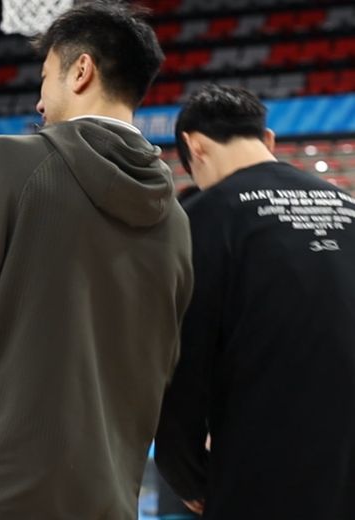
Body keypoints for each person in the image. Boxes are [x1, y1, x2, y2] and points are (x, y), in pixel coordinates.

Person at [0, 2, 193, 518]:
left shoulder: (5, 162)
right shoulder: (176, 221)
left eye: (45, 78)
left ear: (81, 71)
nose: (39, 101)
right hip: (101, 501)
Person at [155, 84, 355, 520]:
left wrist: (184, 472)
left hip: (262, 468)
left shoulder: (203, 217)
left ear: (194, 146)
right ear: (268, 139)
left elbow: (179, 360)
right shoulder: (348, 206)